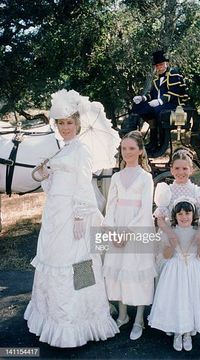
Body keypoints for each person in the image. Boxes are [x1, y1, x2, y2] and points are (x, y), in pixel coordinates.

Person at [24, 90, 119, 348]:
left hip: (73, 214)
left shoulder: (81, 150)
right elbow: (51, 183)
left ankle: (82, 318)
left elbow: (82, 185)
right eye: (61, 123)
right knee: (53, 260)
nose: (65, 127)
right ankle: (51, 314)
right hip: (55, 213)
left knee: (78, 262)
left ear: (77, 124)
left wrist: (79, 215)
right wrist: (45, 172)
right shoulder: (63, 149)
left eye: (69, 123)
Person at [102, 131, 157, 341]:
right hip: (118, 228)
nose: (127, 152)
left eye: (132, 148)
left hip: (137, 228)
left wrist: (127, 232)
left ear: (140, 151)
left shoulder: (146, 178)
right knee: (119, 271)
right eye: (124, 148)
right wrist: (113, 230)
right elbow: (111, 206)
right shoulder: (116, 176)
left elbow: (144, 210)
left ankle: (139, 319)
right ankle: (123, 315)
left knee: (137, 271)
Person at [148, 198, 200, 351]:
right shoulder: (170, 233)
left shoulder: (198, 232)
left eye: (187, 213)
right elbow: (165, 256)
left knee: (191, 300)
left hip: (193, 270)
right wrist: (172, 246)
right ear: (174, 216)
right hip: (174, 270)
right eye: (180, 214)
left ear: (194, 215)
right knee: (177, 300)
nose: (184, 217)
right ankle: (178, 332)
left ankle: (187, 332)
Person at [153, 148, 200, 296]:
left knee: (193, 271)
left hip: (193, 236)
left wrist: (199, 234)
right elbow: (160, 219)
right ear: (171, 169)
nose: (181, 172)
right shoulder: (166, 191)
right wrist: (170, 234)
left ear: (191, 169)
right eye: (177, 168)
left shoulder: (198, 191)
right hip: (171, 235)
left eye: (184, 168)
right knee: (171, 270)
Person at [132, 49, 189, 157]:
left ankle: (161, 144)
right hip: (159, 106)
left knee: (157, 110)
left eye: (161, 64)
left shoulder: (173, 74)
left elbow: (174, 92)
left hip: (173, 105)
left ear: (166, 64)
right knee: (139, 108)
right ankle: (153, 142)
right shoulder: (156, 80)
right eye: (157, 65)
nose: (159, 67)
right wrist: (142, 99)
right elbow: (151, 96)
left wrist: (159, 101)